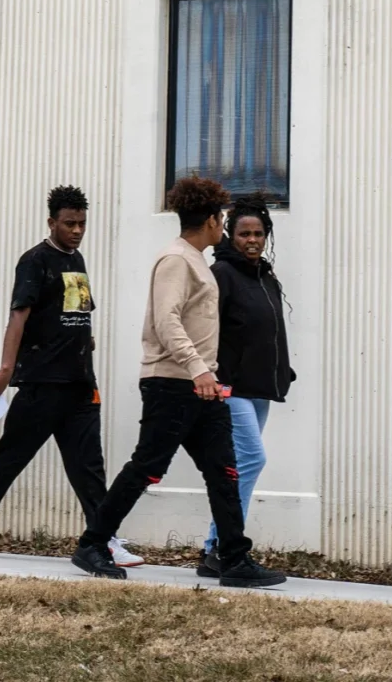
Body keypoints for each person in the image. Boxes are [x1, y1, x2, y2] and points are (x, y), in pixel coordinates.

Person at [70, 177, 286, 588]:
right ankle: (93, 543)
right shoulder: (175, 260)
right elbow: (165, 321)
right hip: (171, 384)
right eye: (221, 219)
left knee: (225, 471)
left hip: (202, 387)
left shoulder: (196, 260)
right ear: (209, 220)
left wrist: (207, 372)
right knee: (147, 468)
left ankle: (231, 558)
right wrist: (198, 368)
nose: (223, 226)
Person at [0, 186, 142, 568]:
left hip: (81, 383)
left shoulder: (78, 259)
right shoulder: (35, 261)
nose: (77, 230)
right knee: (11, 457)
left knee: (89, 468)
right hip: (42, 382)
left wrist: (84, 341)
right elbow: (18, 317)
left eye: (82, 224)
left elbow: (76, 313)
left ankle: (103, 538)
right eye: (69, 223)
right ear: (51, 222)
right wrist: (6, 370)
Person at [197, 195, 295, 577]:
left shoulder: (265, 276)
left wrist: (281, 371)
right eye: (244, 234)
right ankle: (225, 547)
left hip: (259, 388)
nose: (252, 240)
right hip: (230, 387)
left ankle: (212, 548)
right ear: (230, 236)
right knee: (252, 460)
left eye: (258, 233)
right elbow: (207, 328)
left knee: (238, 467)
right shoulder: (221, 273)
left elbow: (267, 333)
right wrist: (211, 375)